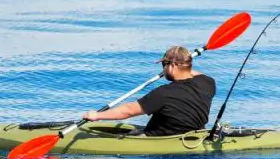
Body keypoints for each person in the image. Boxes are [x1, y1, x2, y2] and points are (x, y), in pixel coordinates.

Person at [82, 45, 216, 136]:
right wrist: (181, 66)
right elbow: (195, 73)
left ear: (173, 66)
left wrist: (97, 116)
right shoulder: (208, 83)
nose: (162, 69)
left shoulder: (163, 93)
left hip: (160, 140)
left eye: (164, 65)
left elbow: (128, 111)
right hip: (193, 135)